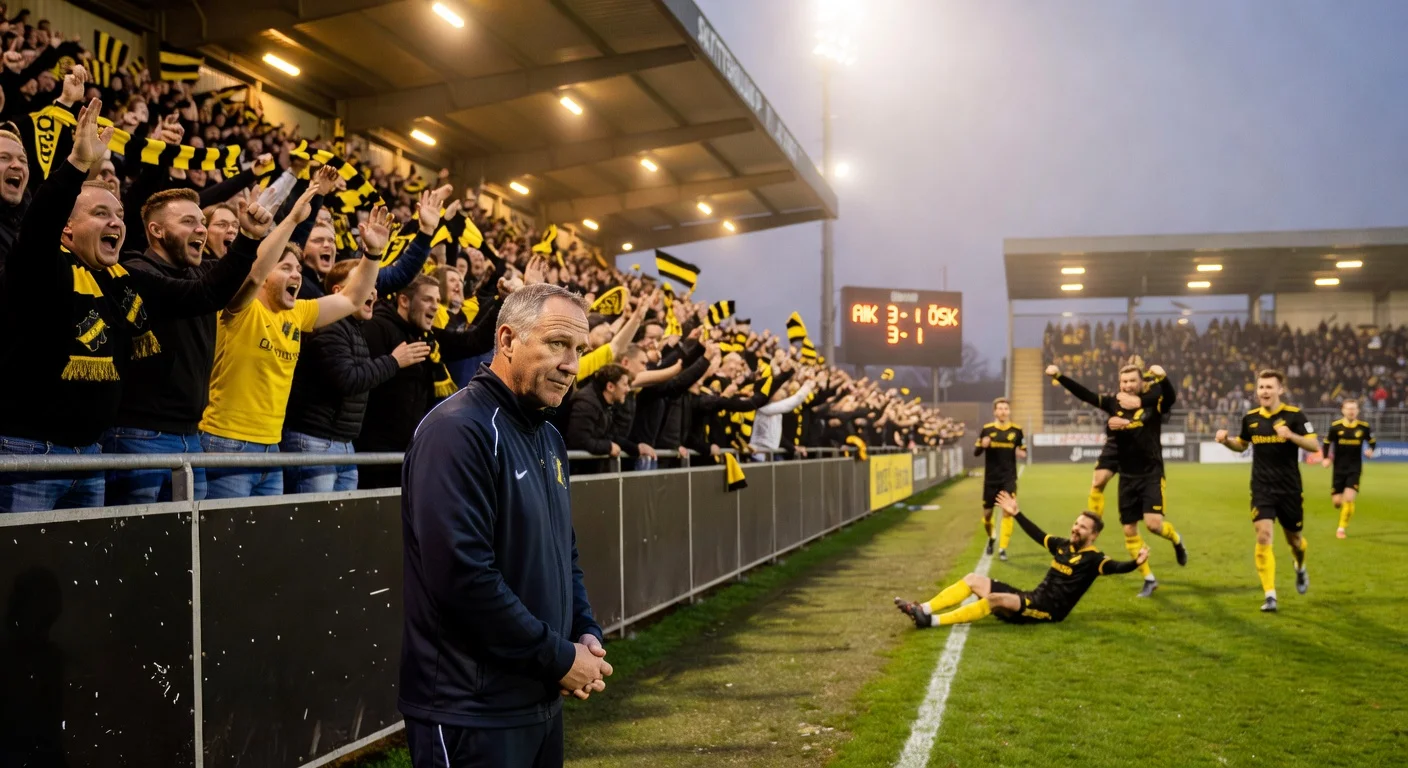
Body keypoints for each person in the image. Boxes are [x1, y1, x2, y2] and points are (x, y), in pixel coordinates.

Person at [0, 98, 264, 512]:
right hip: (32, 452)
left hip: (93, 456)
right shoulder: (41, 268)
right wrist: (74, 166)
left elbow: (204, 296)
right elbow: (38, 226)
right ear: (66, 228)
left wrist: (248, 240)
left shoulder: (119, 282)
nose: (116, 223)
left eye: (119, 215)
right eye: (101, 213)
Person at [399, 282, 611, 768]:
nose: (571, 364)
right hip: (470, 712)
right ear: (508, 340)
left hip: (536, 700)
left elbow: (564, 554)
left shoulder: (549, 437)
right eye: (557, 343)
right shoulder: (457, 430)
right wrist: (558, 658)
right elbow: (463, 578)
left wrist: (583, 631)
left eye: (579, 349)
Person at [196, 173, 381, 499]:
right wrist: (294, 218)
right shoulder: (240, 308)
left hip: (273, 446)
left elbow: (352, 298)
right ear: (267, 275)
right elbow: (252, 274)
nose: (296, 274)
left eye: (298, 269)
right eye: (285, 268)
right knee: (226, 545)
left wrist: (373, 256)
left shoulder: (298, 314)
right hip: (226, 442)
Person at [102, 187, 264, 504]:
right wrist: (247, 239)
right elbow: (203, 294)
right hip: (140, 435)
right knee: (135, 545)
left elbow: (251, 277)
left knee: (181, 549)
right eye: (189, 221)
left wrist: (259, 233)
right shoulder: (133, 271)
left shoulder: (198, 274)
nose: (201, 229)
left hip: (191, 436)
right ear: (156, 230)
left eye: (202, 222)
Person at [282, 257, 429, 493]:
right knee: (312, 525)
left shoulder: (353, 329)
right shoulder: (329, 325)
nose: (372, 292)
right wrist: (393, 361)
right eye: (363, 284)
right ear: (339, 292)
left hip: (341, 443)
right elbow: (347, 379)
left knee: (340, 525)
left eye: (373, 287)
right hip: (315, 442)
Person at [895, 491, 1148, 628]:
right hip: (1031, 597)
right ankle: (924, 609)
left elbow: (1116, 568)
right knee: (973, 580)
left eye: (1082, 527)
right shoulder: (1063, 545)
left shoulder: (1094, 559)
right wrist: (1016, 514)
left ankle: (932, 621)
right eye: (1076, 523)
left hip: (1049, 611)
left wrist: (1136, 563)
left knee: (994, 599)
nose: (1075, 528)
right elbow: (1038, 534)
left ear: (1093, 535)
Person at [1048, 362, 1187, 597]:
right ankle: (1149, 578)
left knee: (1153, 525)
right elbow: (1086, 394)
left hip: (1151, 473)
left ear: (1141, 383)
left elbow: (1170, 398)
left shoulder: (1154, 402)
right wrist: (1060, 376)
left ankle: (1176, 538)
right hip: (1127, 475)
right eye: (1124, 382)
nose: (1128, 386)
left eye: (1133, 381)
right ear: (1119, 383)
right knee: (1129, 529)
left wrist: (1163, 378)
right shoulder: (1114, 404)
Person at [1214, 369, 1320, 612]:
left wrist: (1291, 435)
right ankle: (1270, 594)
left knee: (1294, 541)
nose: (1265, 391)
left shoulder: (1294, 416)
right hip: (1261, 488)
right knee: (1263, 536)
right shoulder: (1250, 419)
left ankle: (1300, 567)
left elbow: (1314, 445)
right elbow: (1242, 445)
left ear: (1280, 390)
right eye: (1261, 387)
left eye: (1269, 387)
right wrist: (1226, 441)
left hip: (1290, 489)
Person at [973, 397, 1026, 560]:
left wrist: (1021, 453)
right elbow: (976, 452)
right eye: (1000, 408)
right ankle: (992, 537)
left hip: (1008, 478)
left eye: (1006, 409)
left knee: (1007, 512)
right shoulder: (987, 429)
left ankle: (1003, 548)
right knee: (987, 515)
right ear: (995, 411)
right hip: (991, 480)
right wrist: (983, 445)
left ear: (1009, 411)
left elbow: (1023, 451)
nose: (1003, 411)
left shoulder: (1017, 431)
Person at [1321, 399, 1374, 539]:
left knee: (1349, 499)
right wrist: (1326, 458)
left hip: (1354, 468)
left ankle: (1341, 528)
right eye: (1348, 408)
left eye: (1354, 408)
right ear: (1343, 410)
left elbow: (1372, 442)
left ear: (1358, 411)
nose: (1351, 411)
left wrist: (1370, 450)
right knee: (1337, 502)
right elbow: (1327, 443)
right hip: (1338, 470)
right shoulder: (1335, 427)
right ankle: (1340, 505)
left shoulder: (1363, 427)